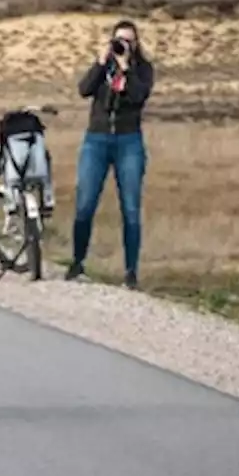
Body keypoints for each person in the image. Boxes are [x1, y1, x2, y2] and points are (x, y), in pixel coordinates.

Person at [67, 18, 155, 290]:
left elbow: (140, 96)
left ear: (136, 44)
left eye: (128, 41)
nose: (122, 45)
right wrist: (100, 61)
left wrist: (126, 67)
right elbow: (84, 89)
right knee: (85, 203)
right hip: (97, 139)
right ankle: (77, 262)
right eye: (119, 39)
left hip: (129, 141)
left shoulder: (143, 69)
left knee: (130, 207)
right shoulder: (104, 65)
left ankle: (130, 272)